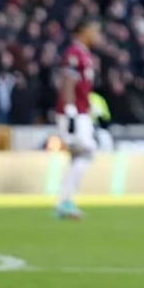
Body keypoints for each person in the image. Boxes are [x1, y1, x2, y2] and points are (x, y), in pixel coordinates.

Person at [55, 18, 102, 219]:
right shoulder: (74, 53)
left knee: (79, 156)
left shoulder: (84, 53)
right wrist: (71, 110)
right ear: (83, 31)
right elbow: (68, 82)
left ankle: (66, 202)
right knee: (86, 151)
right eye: (95, 30)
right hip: (74, 114)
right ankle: (65, 201)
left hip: (82, 112)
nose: (98, 36)